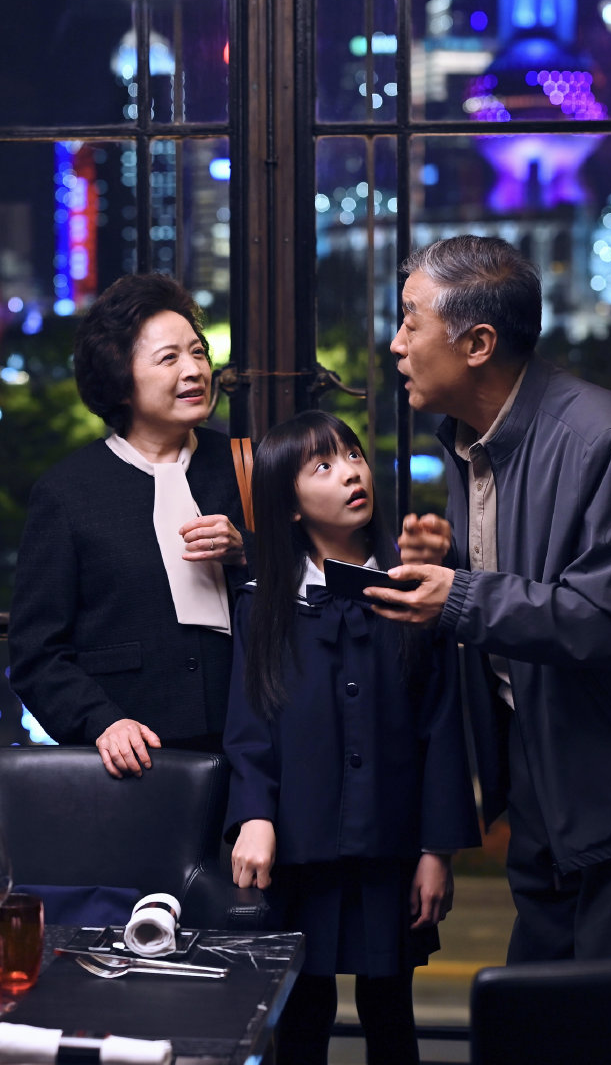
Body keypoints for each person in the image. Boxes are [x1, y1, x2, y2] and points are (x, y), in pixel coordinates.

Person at [371, 235, 611, 962]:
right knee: (542, 998)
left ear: (478, 343)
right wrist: (448, 562)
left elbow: (605, 616)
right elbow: (525, 575)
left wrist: (457, 594)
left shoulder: (601, 438)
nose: (396, 344)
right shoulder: (472, 438)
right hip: (543, 766)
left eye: (411, 321)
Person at [224, 411, 478, 1065]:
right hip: (300, 845)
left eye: (354, 456)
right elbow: (249, 724)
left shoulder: (414, 590)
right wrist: (254, 815)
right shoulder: (263, 601)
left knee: (390, 1012)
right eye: (323, 466)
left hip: (391, 843)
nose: (350, 473)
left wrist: (438, 850)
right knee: (300, 1015)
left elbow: (441, 723)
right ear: (289, 506)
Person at [10, 274, 248, 778]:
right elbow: (36, 655)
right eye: (169, 358)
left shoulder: (246, 466)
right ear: (119, 379)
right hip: (133, 762)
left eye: (198, 352)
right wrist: (102, 722)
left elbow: (309, 587)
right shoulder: (67, 492)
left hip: (253, 750)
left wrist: (246, 552)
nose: (194, 370)